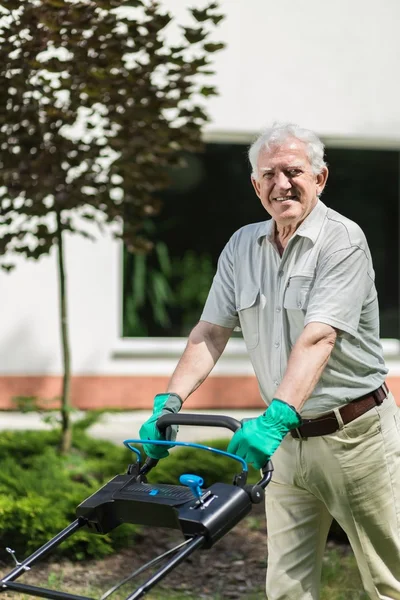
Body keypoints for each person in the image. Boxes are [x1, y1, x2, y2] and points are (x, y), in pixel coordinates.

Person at [139, 122, 400, 600]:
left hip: (355, 437)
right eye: (269, 175)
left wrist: (275, 416)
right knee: (286, 586)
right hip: (285, 446)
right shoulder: (242, 245)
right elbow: (211, 331)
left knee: (389, 579)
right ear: (256, 185)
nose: (282, 184)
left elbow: (319, 337)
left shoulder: (343, 240)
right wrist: (168, 403)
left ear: (320, 178)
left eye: (294, 171)